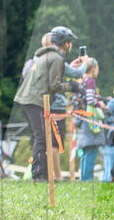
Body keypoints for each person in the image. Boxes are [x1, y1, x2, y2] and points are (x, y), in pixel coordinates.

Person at [13, 25, 83, 182]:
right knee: (42, 137)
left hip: (30, 99)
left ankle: (44, 174)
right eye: (70, 43)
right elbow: (54, 86)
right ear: (65, 43)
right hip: (34, 100)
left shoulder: (46, 55)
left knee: (44, 137)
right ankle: (39, 175)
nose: (70, 46)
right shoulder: (56, 58)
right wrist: (72, 86)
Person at [73, 59, 105, 181]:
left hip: (81, 119)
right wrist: (100, 105)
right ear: (94, 68)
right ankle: (87, 179)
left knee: (85, 152)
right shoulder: (90, 81)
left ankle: (84, 178)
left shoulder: (82, 80)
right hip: (90, 120)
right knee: (91, 150)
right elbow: (91, 99)